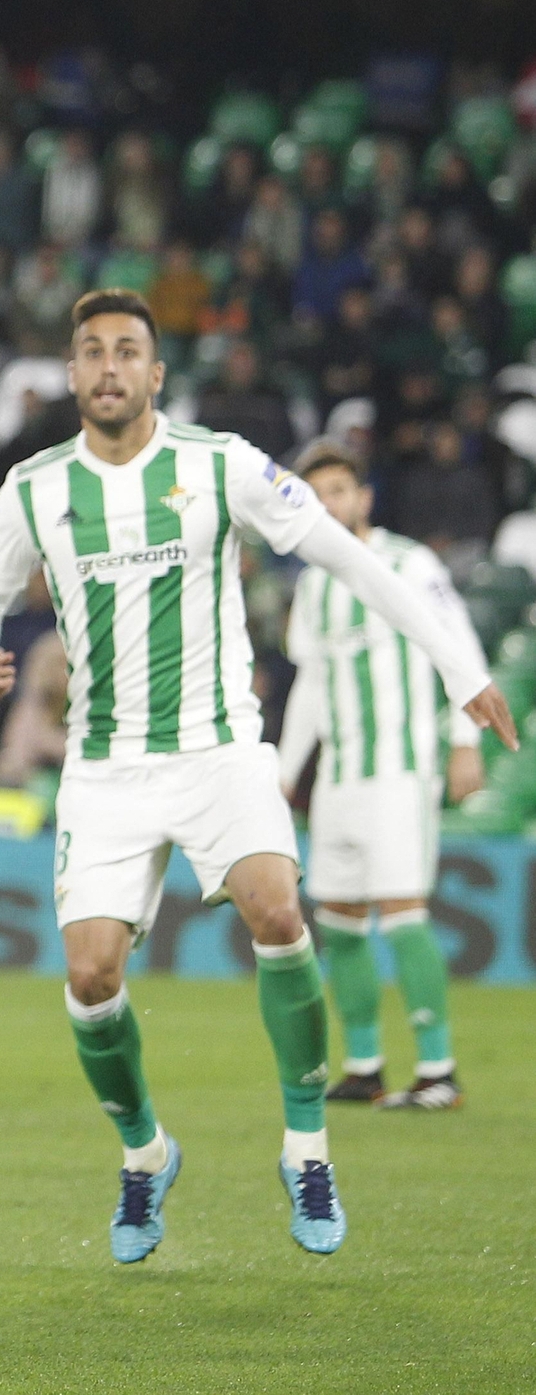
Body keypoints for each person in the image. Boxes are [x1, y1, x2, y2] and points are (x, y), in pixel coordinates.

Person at [0, 288, 515, 1264]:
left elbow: (352, 561)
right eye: (91, 351)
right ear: (74, 373)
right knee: (89, 978)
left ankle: (306, 1145)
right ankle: (144, 1154)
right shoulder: (34, 487)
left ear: (156, 374)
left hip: (219, 749)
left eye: (128, 350)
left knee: (278, 911)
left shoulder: (219, 466)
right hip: (106, 766)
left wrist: (461, 669)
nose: (109, 366)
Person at [277, 442, 485, 1110]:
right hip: (338, 777)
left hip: (400, 771)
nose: (330, 504)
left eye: (340, 490)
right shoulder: (314, 583)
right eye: (317, 494)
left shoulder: (407, 563)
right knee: (338, 920)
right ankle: (365, 1064)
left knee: (401, 910)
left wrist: (463, 740)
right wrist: (284, 774)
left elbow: (456, 642)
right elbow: (311, 681)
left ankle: (437, 1071)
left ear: (364, 498)